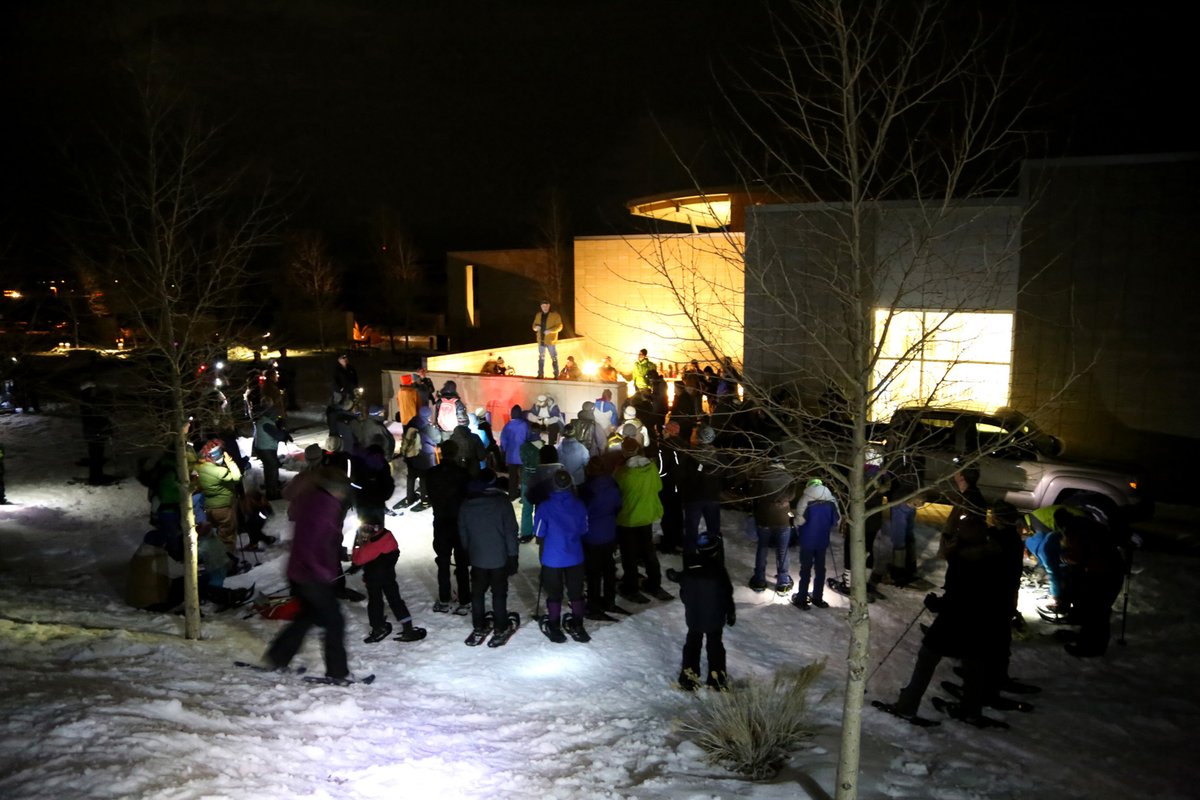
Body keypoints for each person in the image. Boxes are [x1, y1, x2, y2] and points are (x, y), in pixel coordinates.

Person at [264, 458, 356, 682]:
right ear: (336, 489)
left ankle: (278, 657)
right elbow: (312, 543)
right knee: (335, 621)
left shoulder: (313, 500)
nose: (345, 495)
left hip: (300, 571)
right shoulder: (325, 507)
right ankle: (337, 672)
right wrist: (323, 573)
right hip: (311, 575)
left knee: (306, 616)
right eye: (344, 491)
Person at [458, 470, 521, 645]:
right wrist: (513, 555)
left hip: (478, 557)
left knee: (477, 593)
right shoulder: (502, 503)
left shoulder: (467, 504)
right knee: (499, 593)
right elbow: (510, 532)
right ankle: (501, 626)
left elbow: (463, 532)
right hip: (499, 558)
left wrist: (467, 552)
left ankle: (478, 624)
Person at [1056, 507, 1125, 657]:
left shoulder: (1074, 531)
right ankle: (1097, 646)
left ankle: (1087, 648)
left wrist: (1064, 557)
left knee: (1094, 611)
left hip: (1101, 574)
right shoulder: (1090, 524)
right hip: (1115, 568)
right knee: (1101, 611)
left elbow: (1076, 557)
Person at [535, 468, 591, 644]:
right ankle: (578, 624)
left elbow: (539, 532)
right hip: (574, 555)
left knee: (554, 593)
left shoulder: (545, 506)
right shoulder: (579, 504)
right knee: (576, 592)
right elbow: (584, 529)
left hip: (552, 557)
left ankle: (554, 625)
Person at [350, 517, 427, 643]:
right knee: (396, 601)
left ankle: (378, 628)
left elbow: (357, 560)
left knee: (375, 602)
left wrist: (357, 543)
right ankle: (408, 629)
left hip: (373, 578)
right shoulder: (387, 535)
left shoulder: (371, 545)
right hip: (388, 576)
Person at [614, 436, 670, 603]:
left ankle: (631, 586)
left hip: (628, 518)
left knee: (629, 554)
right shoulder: (651, 467)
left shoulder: (622, 472)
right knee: (648, 551)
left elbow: (616, 492)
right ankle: (654, 583)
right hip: (647, 515)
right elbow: (659, 487)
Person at [677, 534, 735, 691]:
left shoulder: (689, 568)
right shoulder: (719, 571)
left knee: (692, 644)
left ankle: (689, 678)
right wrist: (730, 612)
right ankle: (717, 679)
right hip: (714, 617)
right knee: (715, 646)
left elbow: (683, 594)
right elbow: (726, 594)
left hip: (694, 615)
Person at [424, 440, 471, 613]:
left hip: (441, 520)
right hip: (459, 521)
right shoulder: (463, 473)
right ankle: (465, 600)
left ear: (442, 452)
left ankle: (444, 599)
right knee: (461, 562)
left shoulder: (431, 474)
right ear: (456, 452)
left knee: (443, 561)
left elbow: (429, 494)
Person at [580, 457, 624, 619]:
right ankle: (609, 599)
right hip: (609, 532)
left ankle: (593, 603)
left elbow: (582, 511)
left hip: (591, 535)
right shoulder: (612, 484)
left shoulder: (587, 488)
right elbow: (618, 506)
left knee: (593, 571)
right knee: (609, 568)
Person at [748, 462, 798, 594]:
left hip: (764, 517)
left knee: (762, 548)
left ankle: (759, 580)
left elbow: (754, 493)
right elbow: (792, 496)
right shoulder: (789, 477)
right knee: (783, 551)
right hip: (783, 519)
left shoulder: (762, 476)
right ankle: (783, 582)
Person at [792, 479, 840, 610]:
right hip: (822, 539)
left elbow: (800, 520)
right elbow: (836, 521)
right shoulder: (831, 500)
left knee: (806, 569)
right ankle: (818, 597)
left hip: (807, 539)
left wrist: (795, 523)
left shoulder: (805, 498)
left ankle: (801, 598)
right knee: (820, 569)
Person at [194, 438, 243, 559]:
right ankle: (228, 562)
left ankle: (215, 558)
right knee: (227, 536)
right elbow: (237, 477)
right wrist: (230, 462)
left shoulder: (201, 467)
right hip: (224, 508)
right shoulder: (219, 472)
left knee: (215, 535)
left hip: (210, 507)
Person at [679, 424, 724, 555]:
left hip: (694, 498)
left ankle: (690, 558)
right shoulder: (718, 456)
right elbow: (728, 473)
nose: (691, 436)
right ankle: (714, 555)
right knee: (714, 530)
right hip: (712, 497)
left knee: (691, 530)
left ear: (699, 438)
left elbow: (683, 476)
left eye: (694, 434)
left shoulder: (689, 456)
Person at [80, 381, 115, 486]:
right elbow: (96, 418)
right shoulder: (89, 403)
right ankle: (96, 478)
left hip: (93, 432)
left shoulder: (87, 402)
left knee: (96, 456)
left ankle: (97, 477)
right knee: (96, 456)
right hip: (95, 432)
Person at [499, 404, 530, 499]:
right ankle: (524, 496)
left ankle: (512, 495)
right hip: (522, 455)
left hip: (511, 456)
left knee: (512, 477)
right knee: (524, 477)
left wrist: (504, 452)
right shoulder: (525, 425)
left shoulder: (507, 426)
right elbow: (528, 438)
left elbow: (503, 441)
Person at [532, 299, 563, 379]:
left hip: (550, 340)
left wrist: (550, 331)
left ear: (549, 306)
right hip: (540, 340)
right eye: (543, 306)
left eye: (546, 306)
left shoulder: (555, 315)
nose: (544, 308)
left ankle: (556, 374)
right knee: (541, 357)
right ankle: (540, 374)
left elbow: (560, 326)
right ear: (541, 307)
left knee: (554, 357)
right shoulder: (538, 315)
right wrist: (535, 328)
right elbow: (534, 325)